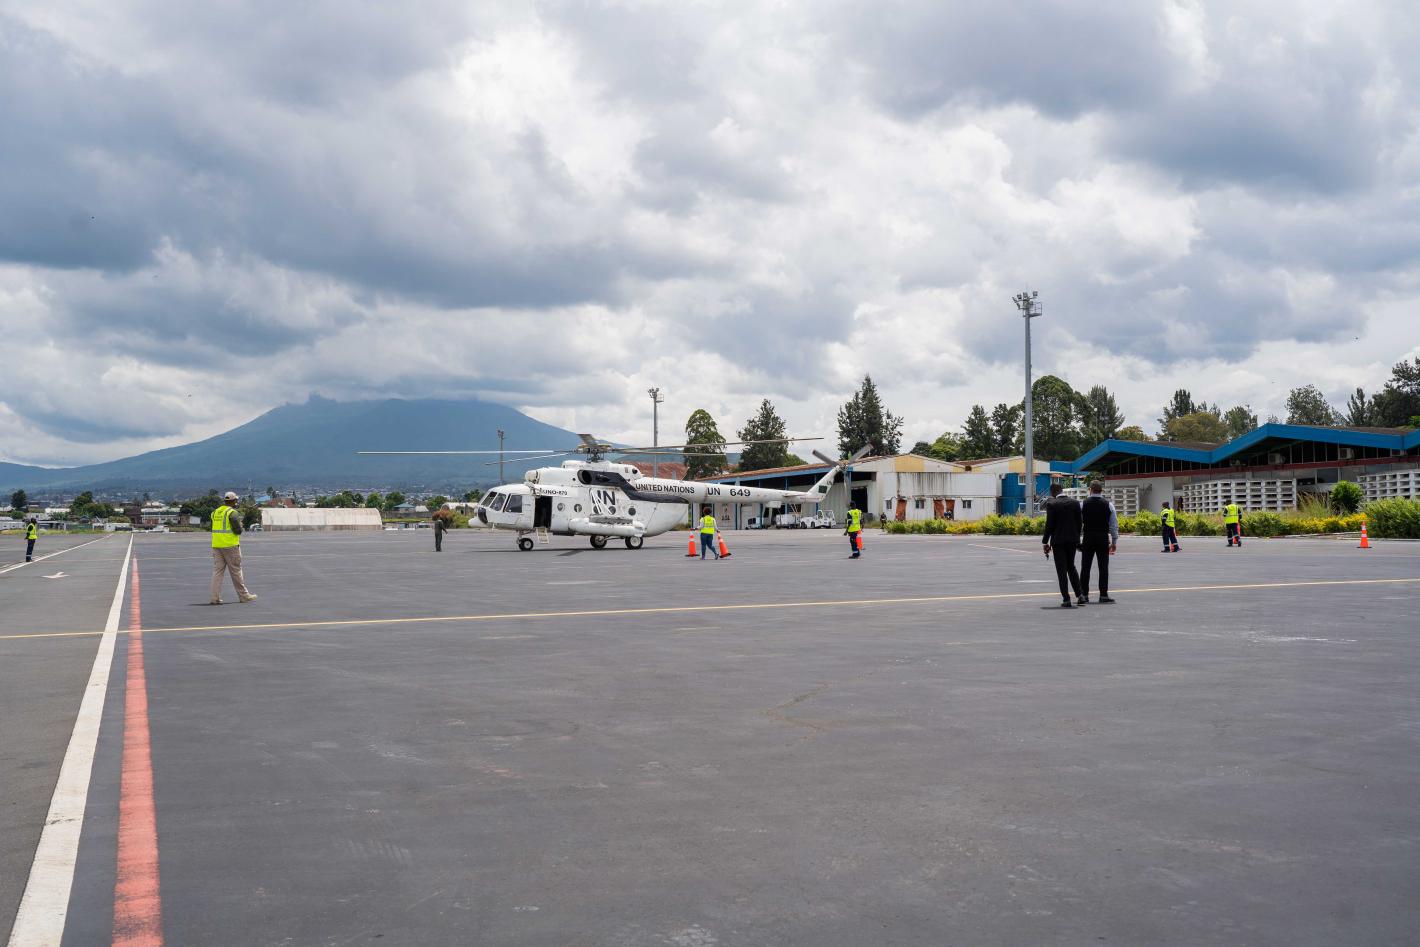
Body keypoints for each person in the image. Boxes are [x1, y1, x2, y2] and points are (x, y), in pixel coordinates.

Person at [1042, 482, 1085, 607]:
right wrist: (1077, 539)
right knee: (1071, 567)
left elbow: (1049, 525)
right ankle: (1080, 595)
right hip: (1072, 541)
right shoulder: (1075, 503)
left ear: (1053, 492)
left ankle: (1066, 598)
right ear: (1062, 490)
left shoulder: (1052, 504)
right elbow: (1079, 523)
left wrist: (1045, 541)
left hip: (1058, 542)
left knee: (1061, 570)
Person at [210, 491, 257, 604]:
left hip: (217, 545)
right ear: (234, 501)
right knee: (236, 571)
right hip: (230, 545)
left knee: (218, 572)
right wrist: (240, 526)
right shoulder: (232, 512)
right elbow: (238, 530)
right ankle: (243, 596)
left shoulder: (215, 512)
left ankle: (214, 597)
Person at [1078, 481, 1118, 604]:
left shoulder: (1083, 504)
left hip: (1088, 537)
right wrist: (1114, 541)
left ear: (1090, 490)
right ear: (1101, 491)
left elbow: (1078, 524)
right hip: (1102, 537)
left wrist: (1078, 541)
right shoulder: (1109, 505)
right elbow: (1113, 525)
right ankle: (1103, 595)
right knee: (1103, 567)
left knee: (1085, 567)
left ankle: (1084, 594)